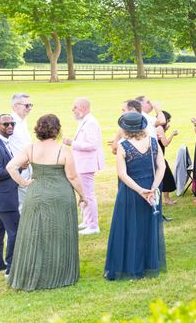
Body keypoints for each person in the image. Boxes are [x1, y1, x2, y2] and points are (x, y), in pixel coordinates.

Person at [6, 114, 86, 290]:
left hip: (35, 194)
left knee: (34, 233)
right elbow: (72, 177)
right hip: (60, 195)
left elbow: (11, 167)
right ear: (57, 130)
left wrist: (23, 183)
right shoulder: (63, 150)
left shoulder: (30, 148)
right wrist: (84, 196)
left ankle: (32, 273)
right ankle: (59, 273)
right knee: (60, 232)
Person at [104, 112, 166, 281]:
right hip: (150, 187)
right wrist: (153, 187)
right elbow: (162, 167)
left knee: (130, 226)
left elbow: (122, 175)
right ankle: (148, 263)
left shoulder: (123, 146)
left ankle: (132, 266)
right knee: (147, 226)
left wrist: (141, 190)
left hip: (132, 189)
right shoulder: (153, 142)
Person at [62, 98, 106, 235]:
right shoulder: (84, 121)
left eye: (75, 107)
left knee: (87, 194)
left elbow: (93, 145)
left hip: (87, 164)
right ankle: (87, 221)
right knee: (83, 192)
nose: (73, 110)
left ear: (83, 107)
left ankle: (93, 225)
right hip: (81, 163)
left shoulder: (91, 123)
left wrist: (72, 143)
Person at [0, 114, 18, 277]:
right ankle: (11, 267)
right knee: (15, 231)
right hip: (4, 198)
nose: (10, 126)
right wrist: (16, 168)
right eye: (6, 124)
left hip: (3, 196)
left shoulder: (4, 142)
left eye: (12, 123)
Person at [10, 93, 32, 211]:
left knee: (27, 202)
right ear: (16, 106)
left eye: (31, 105)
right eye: (27, 105)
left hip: (27, 167)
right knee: (20, 204)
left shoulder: (23, 121)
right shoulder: (8, 123)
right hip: (16, 168)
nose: (30, 108)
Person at [156, 111, 178, 205]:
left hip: (157, 156)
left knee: (162, 176)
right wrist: (172, 135)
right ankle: (166, 199)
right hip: (159, 157)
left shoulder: (156, 126)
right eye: (168, 120)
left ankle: (164, 198)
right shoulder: (160, 127)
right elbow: (165, 143)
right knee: (167, 176)